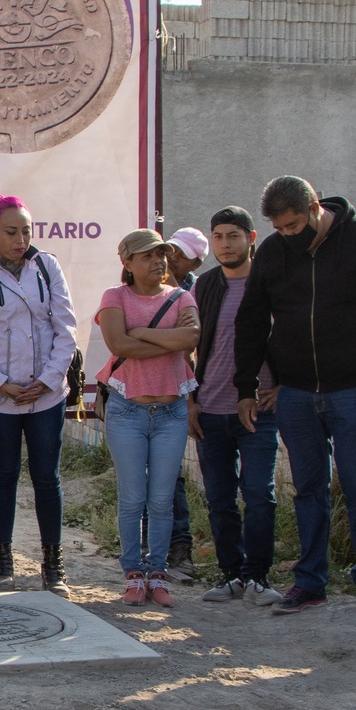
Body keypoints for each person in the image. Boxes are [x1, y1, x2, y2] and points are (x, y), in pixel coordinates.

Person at [235, 176, 356, 615]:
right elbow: (252, 321)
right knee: (307, 488)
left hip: (353, 388)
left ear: (315, 207)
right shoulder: (274, 253)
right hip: (295, 392)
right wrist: (247, 387)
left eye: (294, 225)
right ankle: (310, 582)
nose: (288, 235)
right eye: (279, 229)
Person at [0, 193, 77, 587]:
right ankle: (3, 560)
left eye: (26, 230)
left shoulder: (46, 266)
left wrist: (48, 379)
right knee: (4, 472)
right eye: (11, 231)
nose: (21, 239)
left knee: (47, 476)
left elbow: (66, 329)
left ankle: (52, 563)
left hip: (46, 393)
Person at [96, 229, 199, 605]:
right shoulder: (115, 297)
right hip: (128, 412)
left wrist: (140, 332)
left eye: (161, 255)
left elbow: (190, 338)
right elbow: (118, 344)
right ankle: (133, 575)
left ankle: (158, 574)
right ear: (127, 263)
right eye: (147, 256)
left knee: (161, 500)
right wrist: (161, 337)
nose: (158, 261)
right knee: (132, 498)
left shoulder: (181, 296)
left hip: (172, 413)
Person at [188, 207, 283, 606]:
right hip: (210, 407)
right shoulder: (205, 286)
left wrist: (281, 385)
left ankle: (258, 576)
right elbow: (187, 345)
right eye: (218, 237)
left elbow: (291, 337)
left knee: (259, 494)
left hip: (258, 410)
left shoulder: (272, 282)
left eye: (233, 236)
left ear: (252, 238)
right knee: (220, 497)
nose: (225, 244)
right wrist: (190, 399)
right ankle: (231, 575)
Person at [159, 226, 209, 576]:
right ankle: (150, 552)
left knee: (172, 475)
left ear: (195, 261)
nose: (172, 256)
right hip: (141, 393)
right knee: (145, 480)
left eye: (180, 253)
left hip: (181, 393)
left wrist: (192, 399)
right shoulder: (142, 289)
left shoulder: (195, 294)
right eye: (170, 249)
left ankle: (179, 550)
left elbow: (190, 348)